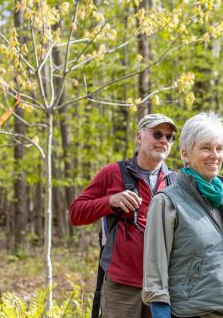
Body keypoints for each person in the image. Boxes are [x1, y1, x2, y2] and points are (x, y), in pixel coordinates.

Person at [142, 112, 223, 318]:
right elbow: (155, 274)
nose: (215, 155)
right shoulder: (168, 202)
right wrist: (160, 313)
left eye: (219, 148)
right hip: (191, 313)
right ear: (185, 153)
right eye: (206, 148)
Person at [69, 113, 178, 318]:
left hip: (164, 287)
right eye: (157, 134)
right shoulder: (113, 173)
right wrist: (110, 201)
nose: (164, 140)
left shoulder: (176, 181)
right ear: (139, 137)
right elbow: (75, 213)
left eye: (169, 137)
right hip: (122, 285)